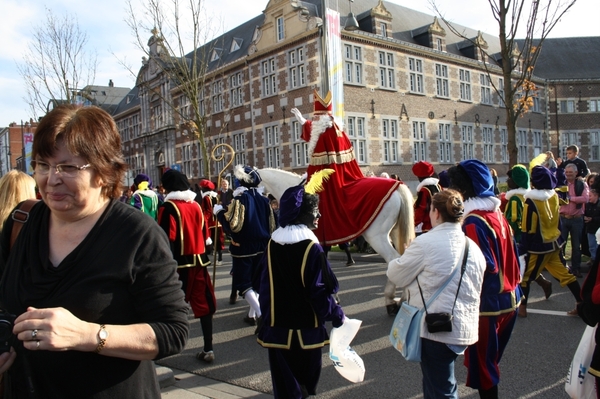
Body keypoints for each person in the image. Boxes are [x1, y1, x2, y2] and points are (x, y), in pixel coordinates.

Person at [0, 104, 189, 398]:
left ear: (103, 172)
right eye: (43, 165)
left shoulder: (136, 235)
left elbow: (172, 332)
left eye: (68, 167)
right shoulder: (22, 221)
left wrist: (88, 335)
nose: (51, 179)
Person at [292, 91, 402, 315]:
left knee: (316, 215)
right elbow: (315, 132)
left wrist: (303, 124)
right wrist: (305, 123)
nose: (312, 120)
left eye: (314, 117)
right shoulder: (336, 128)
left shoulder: (323, 129)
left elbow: (314, 137)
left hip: (331, 183)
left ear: (319, 117)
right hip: (346, 176)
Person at [388, 189, 486, 399]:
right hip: (462, 327)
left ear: (436, 212)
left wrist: (405, 255)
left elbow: (396, 275)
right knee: (435, 385)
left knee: (442, 390)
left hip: (435, 328)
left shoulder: (425, 243)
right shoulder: (473, 247)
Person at [255, 172, 345, 399]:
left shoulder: (272, 244)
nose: (319, 215)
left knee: (284, 388)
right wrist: (336, 314)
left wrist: (267, 318)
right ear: (303, 214)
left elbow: (264, 287)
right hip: (306, 331)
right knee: (305, 386)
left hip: (277, 330)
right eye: (315, 211)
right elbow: (318, 291)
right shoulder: (311, 247)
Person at [447, 159, 522, 399]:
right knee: (489, 363)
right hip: (511, 298)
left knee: (484, 369)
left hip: (488, 305)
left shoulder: (473, 221)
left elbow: (482, 267)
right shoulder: (496, 214)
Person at [157, 169, 216, 363]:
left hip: (178, 266)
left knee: (169, 305)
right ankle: (208, 348)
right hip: (199, 263)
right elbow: (204, 233)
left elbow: (167, 239)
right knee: (204, 305)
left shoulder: (168, 208)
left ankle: (165, 348)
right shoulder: (197, 206)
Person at [215, 165, 276, 331]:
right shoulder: (264, 200)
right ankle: (251, 315)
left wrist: (219, 213)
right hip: (262, 246)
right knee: (256, 282)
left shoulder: (240, 199)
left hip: (244, 247)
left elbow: (233, 226)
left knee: (243, 283)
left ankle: (262, 313)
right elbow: (272, 225)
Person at [518, 166, 582, 317]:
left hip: (539, 246)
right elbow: (565, 198)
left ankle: (523, 309)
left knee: (525, 277)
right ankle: (581, 304)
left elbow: (528, 228)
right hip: (555, 242)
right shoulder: (553, 195)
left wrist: (522, 249)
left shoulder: (530, 201)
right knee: (566, 275)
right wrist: (560, 175)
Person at [504, 165, 552, 300]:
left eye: (510, 179)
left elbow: (512, 219)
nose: (507, 181)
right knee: (527, 266)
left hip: (517, 237)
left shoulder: (514, 198)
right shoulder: (527, 195)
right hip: (526, 236)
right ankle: (543, 282)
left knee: (519, 268)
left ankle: (519, 298)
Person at [560, 163, 590, 278]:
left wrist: (570, 199)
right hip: (563, 218)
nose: (568, 175)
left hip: (576, 219)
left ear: (576, 173)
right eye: (566, 172)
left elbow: (585, 198)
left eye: (570, 172)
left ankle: (576, 268)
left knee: (576, 246)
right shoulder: (561, 183)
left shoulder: (581, 184)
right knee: (561, 244)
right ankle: (562, 267)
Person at [198, 179, 225, 265]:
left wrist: (203, 219)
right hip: (218, 222)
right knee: (218, 241)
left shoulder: (206, 198)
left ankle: (207, 259)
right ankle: (220, 259)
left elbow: (207, 211)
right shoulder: (216, 196)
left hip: (209, 223)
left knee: (207, 240)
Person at [412, 161, 441, 235]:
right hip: (438, 223)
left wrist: (413, 224)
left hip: (426, 227)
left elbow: (420, 209)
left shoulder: (424, 190)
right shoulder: (438, 186)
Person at [585, 188, 600, 263]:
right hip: (590, 229)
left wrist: (592, 219)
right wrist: (585, 217)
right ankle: (594, 260)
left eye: (590, 196)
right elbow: (584, 214)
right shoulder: (587, 205)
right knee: (591, 247)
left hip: (598, 229)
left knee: (598, 246)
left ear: (596, 196)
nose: (588, 197)